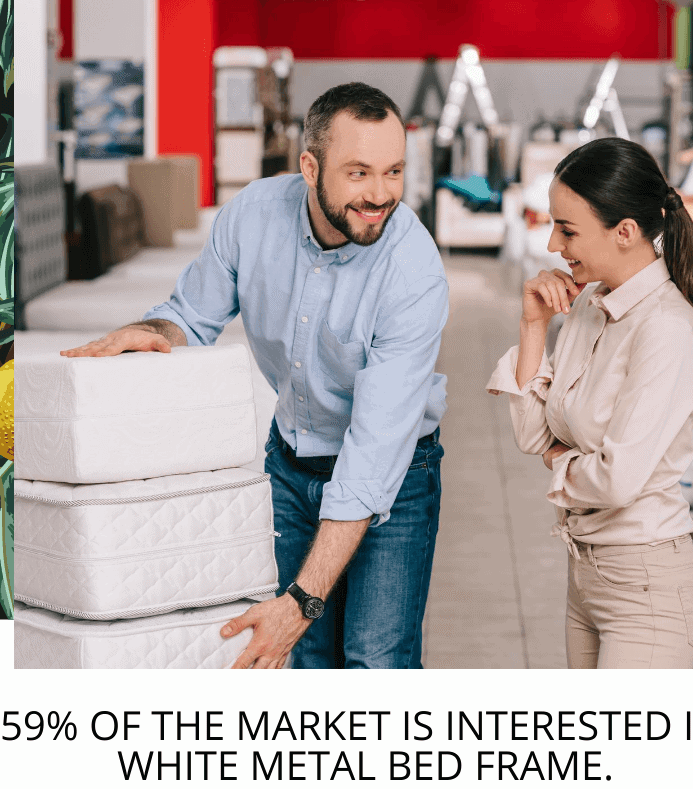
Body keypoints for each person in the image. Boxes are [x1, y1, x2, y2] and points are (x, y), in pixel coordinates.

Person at [61, 83, 448, 670]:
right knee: (306, 660)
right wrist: (149, 332)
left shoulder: (413, 271)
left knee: (375, 662)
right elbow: (192, 314)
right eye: (359, 173)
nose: (380, 194)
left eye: (393, 171)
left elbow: (371, 458)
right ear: (310, 167)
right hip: (291, 462)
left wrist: (303, 600)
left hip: (395, 472)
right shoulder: (254, 214)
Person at [486, 137, 693, 669]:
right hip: (585, 576)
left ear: (625, 231)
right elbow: (531, 434)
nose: (553, 243)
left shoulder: (665, 328)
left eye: (567, 229)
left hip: (647, 586)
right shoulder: (587, 308)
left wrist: (558, 460)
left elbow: (617, 479)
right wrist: (533, 326)